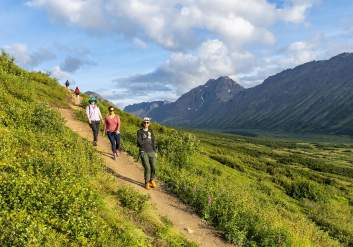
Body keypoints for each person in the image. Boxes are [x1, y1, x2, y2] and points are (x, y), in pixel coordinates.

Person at [137, 117, 158, 190]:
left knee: (154, 167)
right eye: (145, 122)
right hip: (143, 151)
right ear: (142, 123)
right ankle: (146, 182)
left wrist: (155, 151)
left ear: (149, 124)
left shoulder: (151, 131)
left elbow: (153, 141)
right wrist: (146, 139)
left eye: (147, 122)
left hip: (152, 151)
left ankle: (151, 180)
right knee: (147, 167)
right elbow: (139, 142)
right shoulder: (139, 131)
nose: (146, 123)